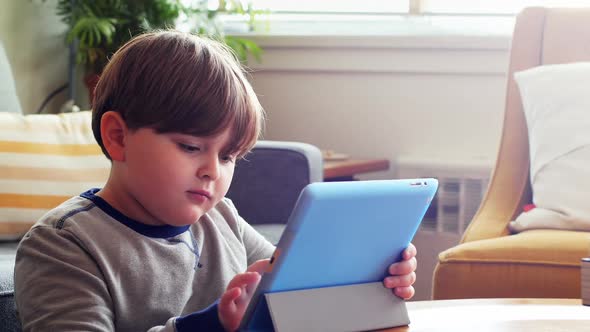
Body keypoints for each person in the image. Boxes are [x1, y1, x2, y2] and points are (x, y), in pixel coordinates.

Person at [14, 30, 418, 332]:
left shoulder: (221, 217)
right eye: (191, 147)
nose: (213, 170)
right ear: (118, 137)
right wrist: (208, 326)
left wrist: (369, 274)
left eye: (228, 156)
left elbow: (287, 282)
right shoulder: (64, 244)